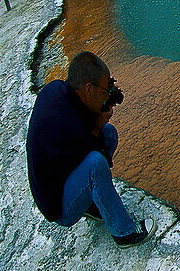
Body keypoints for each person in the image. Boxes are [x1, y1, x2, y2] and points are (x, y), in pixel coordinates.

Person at [26, 51, 155, 247]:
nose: (106, 95)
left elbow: (82, 139)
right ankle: (125, 232)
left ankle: (92, 203)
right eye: (104, 91)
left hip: (63, 177)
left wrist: (103, 104)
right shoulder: (64, 123)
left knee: (109, 133)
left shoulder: (57, 90)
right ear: (88, 89)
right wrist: (98, 123)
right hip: (59, 206)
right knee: (96, 164)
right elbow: (94, 153)